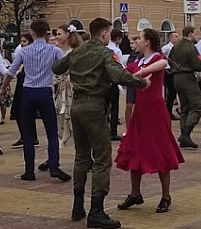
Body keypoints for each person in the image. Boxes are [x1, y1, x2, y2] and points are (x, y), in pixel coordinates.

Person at [52, 18, 149, 229]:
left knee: (81, 157)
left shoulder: (77, 52)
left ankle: (78, 205)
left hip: (76, 107)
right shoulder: (105, 53)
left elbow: (57, 67)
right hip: (94, 107)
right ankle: (96, 210)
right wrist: (141, 82)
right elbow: (118, 75)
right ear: (104, 34)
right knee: (102, 160)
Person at [115, 28, 184, 214]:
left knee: (161, 150)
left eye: (139, 38)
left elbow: (162, 64)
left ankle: (166, 196)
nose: (136, 41)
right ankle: (135, 193)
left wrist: (139, 73)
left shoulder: (156, 58)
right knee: (135, 149)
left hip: (155, 110)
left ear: (147, 42)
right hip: (140, 111)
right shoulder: (137, 61)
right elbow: (120, 72)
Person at [1, 20, 71, 183]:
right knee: (52, 132)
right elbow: (67, 66)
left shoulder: (24, 51)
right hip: (45, 92)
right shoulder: (54, 50)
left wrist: (3, 88)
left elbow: (11, 72)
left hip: (28, 93)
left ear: (32, 34)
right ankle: (54, 165)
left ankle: (29, 171)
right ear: (47, 34)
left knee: (28, 134)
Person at [168, 26, 201, 149]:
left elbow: (169, 61)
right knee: (196, 106)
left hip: (176, 78)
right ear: (190, 34)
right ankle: (186, 133)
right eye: (194, 34)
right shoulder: (191, 47)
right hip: (187, 78)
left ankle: (184, 135)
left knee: (184, 107)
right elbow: (198, 64)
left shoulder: (176, 47)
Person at [8, 34, 33, 149]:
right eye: (21, 41)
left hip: (26, 86)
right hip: (21, 84)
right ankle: (26, 136)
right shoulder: (22, 54)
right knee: (18, 112)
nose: (22, 43)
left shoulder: (29, 55)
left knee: (22, 112)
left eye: (25, 41)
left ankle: (28, 137)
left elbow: (12, 70)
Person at [107, 28, 125, 141]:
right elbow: (120, 66)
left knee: (105, 106)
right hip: (113, 81)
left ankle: (105, 130)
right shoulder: (116, 51)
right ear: (118, 38)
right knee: (114, 107)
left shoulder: (105, 48)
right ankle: (113, 131)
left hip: (104, 81)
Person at [161, 31, 180, 120]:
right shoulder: (166, 48)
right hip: (167, 70)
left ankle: (169, 110)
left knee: (173, 92)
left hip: (173, 70)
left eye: (177, 36)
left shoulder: (176, 47)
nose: (177, 38)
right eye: (175, 36)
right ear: (170, 38)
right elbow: (161, 56)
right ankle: (168, 111)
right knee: (171, 91)